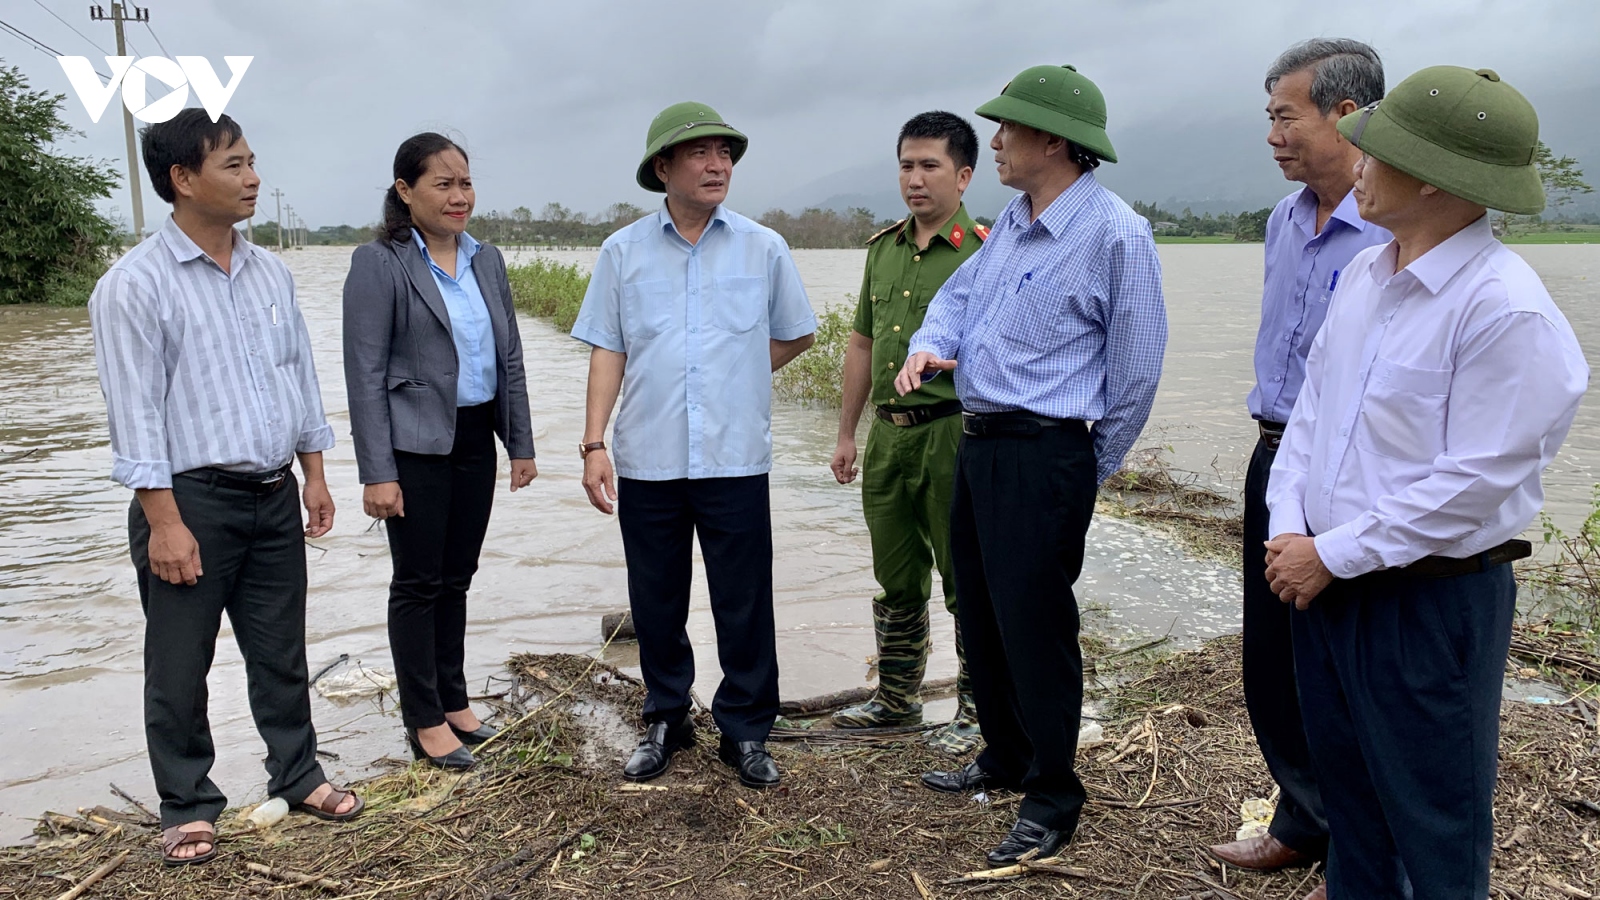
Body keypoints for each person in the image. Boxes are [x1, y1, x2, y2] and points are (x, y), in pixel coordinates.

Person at [1265, 66, 1587, 899]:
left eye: (1377, 151)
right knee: (1354, 814)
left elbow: (1474, 483)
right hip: (1327, 588)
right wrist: (1289, 525)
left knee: (1433, 826)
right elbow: (1310, 417)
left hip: (1426, 605)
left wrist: (1331, 552)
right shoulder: (1369, 280)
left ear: (1440, 181)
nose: (1357, 161)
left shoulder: (1504, 310)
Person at [896, 65, 1167, 866]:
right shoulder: (1014, 220)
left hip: (1046, 453)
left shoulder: (1118, 234)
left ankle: (1054, 793)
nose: (999, 142)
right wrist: (928, 343)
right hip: (981, 444)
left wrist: (1087, 466)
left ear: (1055, 140)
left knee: (1038, 628)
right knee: (978, 610)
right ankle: (1005, 756)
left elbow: (1138, 370)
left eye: (1009, 130)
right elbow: (956, 298)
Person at [89, 109, 362, 867]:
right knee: (179, 662)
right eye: (235, 165)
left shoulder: (270, 271)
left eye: (252, 162)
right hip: (187, 500)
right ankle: (187, 803)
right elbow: (134, 414)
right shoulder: (133, 286)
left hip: (273, 490)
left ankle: (298, 773)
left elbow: (296, 375)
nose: (254, 179)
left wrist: (313, 473)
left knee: (280, 649)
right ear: (182, 179)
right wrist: (164, 523)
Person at [571, 102, 817, 789]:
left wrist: (735, 373)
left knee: (744, 598)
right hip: (647, 456)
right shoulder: (623, 251)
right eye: (701, 154)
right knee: (655, 597)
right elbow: (607, 349)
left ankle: (744, 731)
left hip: (735, 455)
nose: (718, 166)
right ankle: (666, 717)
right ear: (663, 169)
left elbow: (798, 332)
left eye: (726, 155)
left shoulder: (762, 247)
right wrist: (594, 443)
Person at [1206, 40, 1388, 891]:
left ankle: (1362, 845)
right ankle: (1304, 820)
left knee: (1348, 665)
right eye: (1269, 118)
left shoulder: (1391, 228)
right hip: (1274, 455)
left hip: (1353, 475)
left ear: (1347, 115)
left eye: (1286, 115)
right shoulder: (1284, 221)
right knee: (1274, 658)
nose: (1272, 135)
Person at [342, 133, 537, 770]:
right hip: (414, 446)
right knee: (418, 583)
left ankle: (454, 701)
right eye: (443, 184)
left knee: (458, 577)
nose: (459, 197)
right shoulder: (381, 262)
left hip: (475, 437)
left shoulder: (488, 259)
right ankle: (423, 719)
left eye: (466, 183)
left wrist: (521, 445)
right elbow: (365, 372)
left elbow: (508, 356)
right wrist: (377, 471)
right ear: (405, 192)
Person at [828, 111, 989, 753]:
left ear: (964, 174)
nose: (915, 180)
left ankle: (977, 712)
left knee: (963, 574)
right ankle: (896, 701)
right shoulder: (884, 249)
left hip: (953, 432)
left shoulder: (987, 249)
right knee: (895, 571)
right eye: (906, 165)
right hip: (889, 437)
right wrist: (846, 433)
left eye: (930, 166)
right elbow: (863, 344)